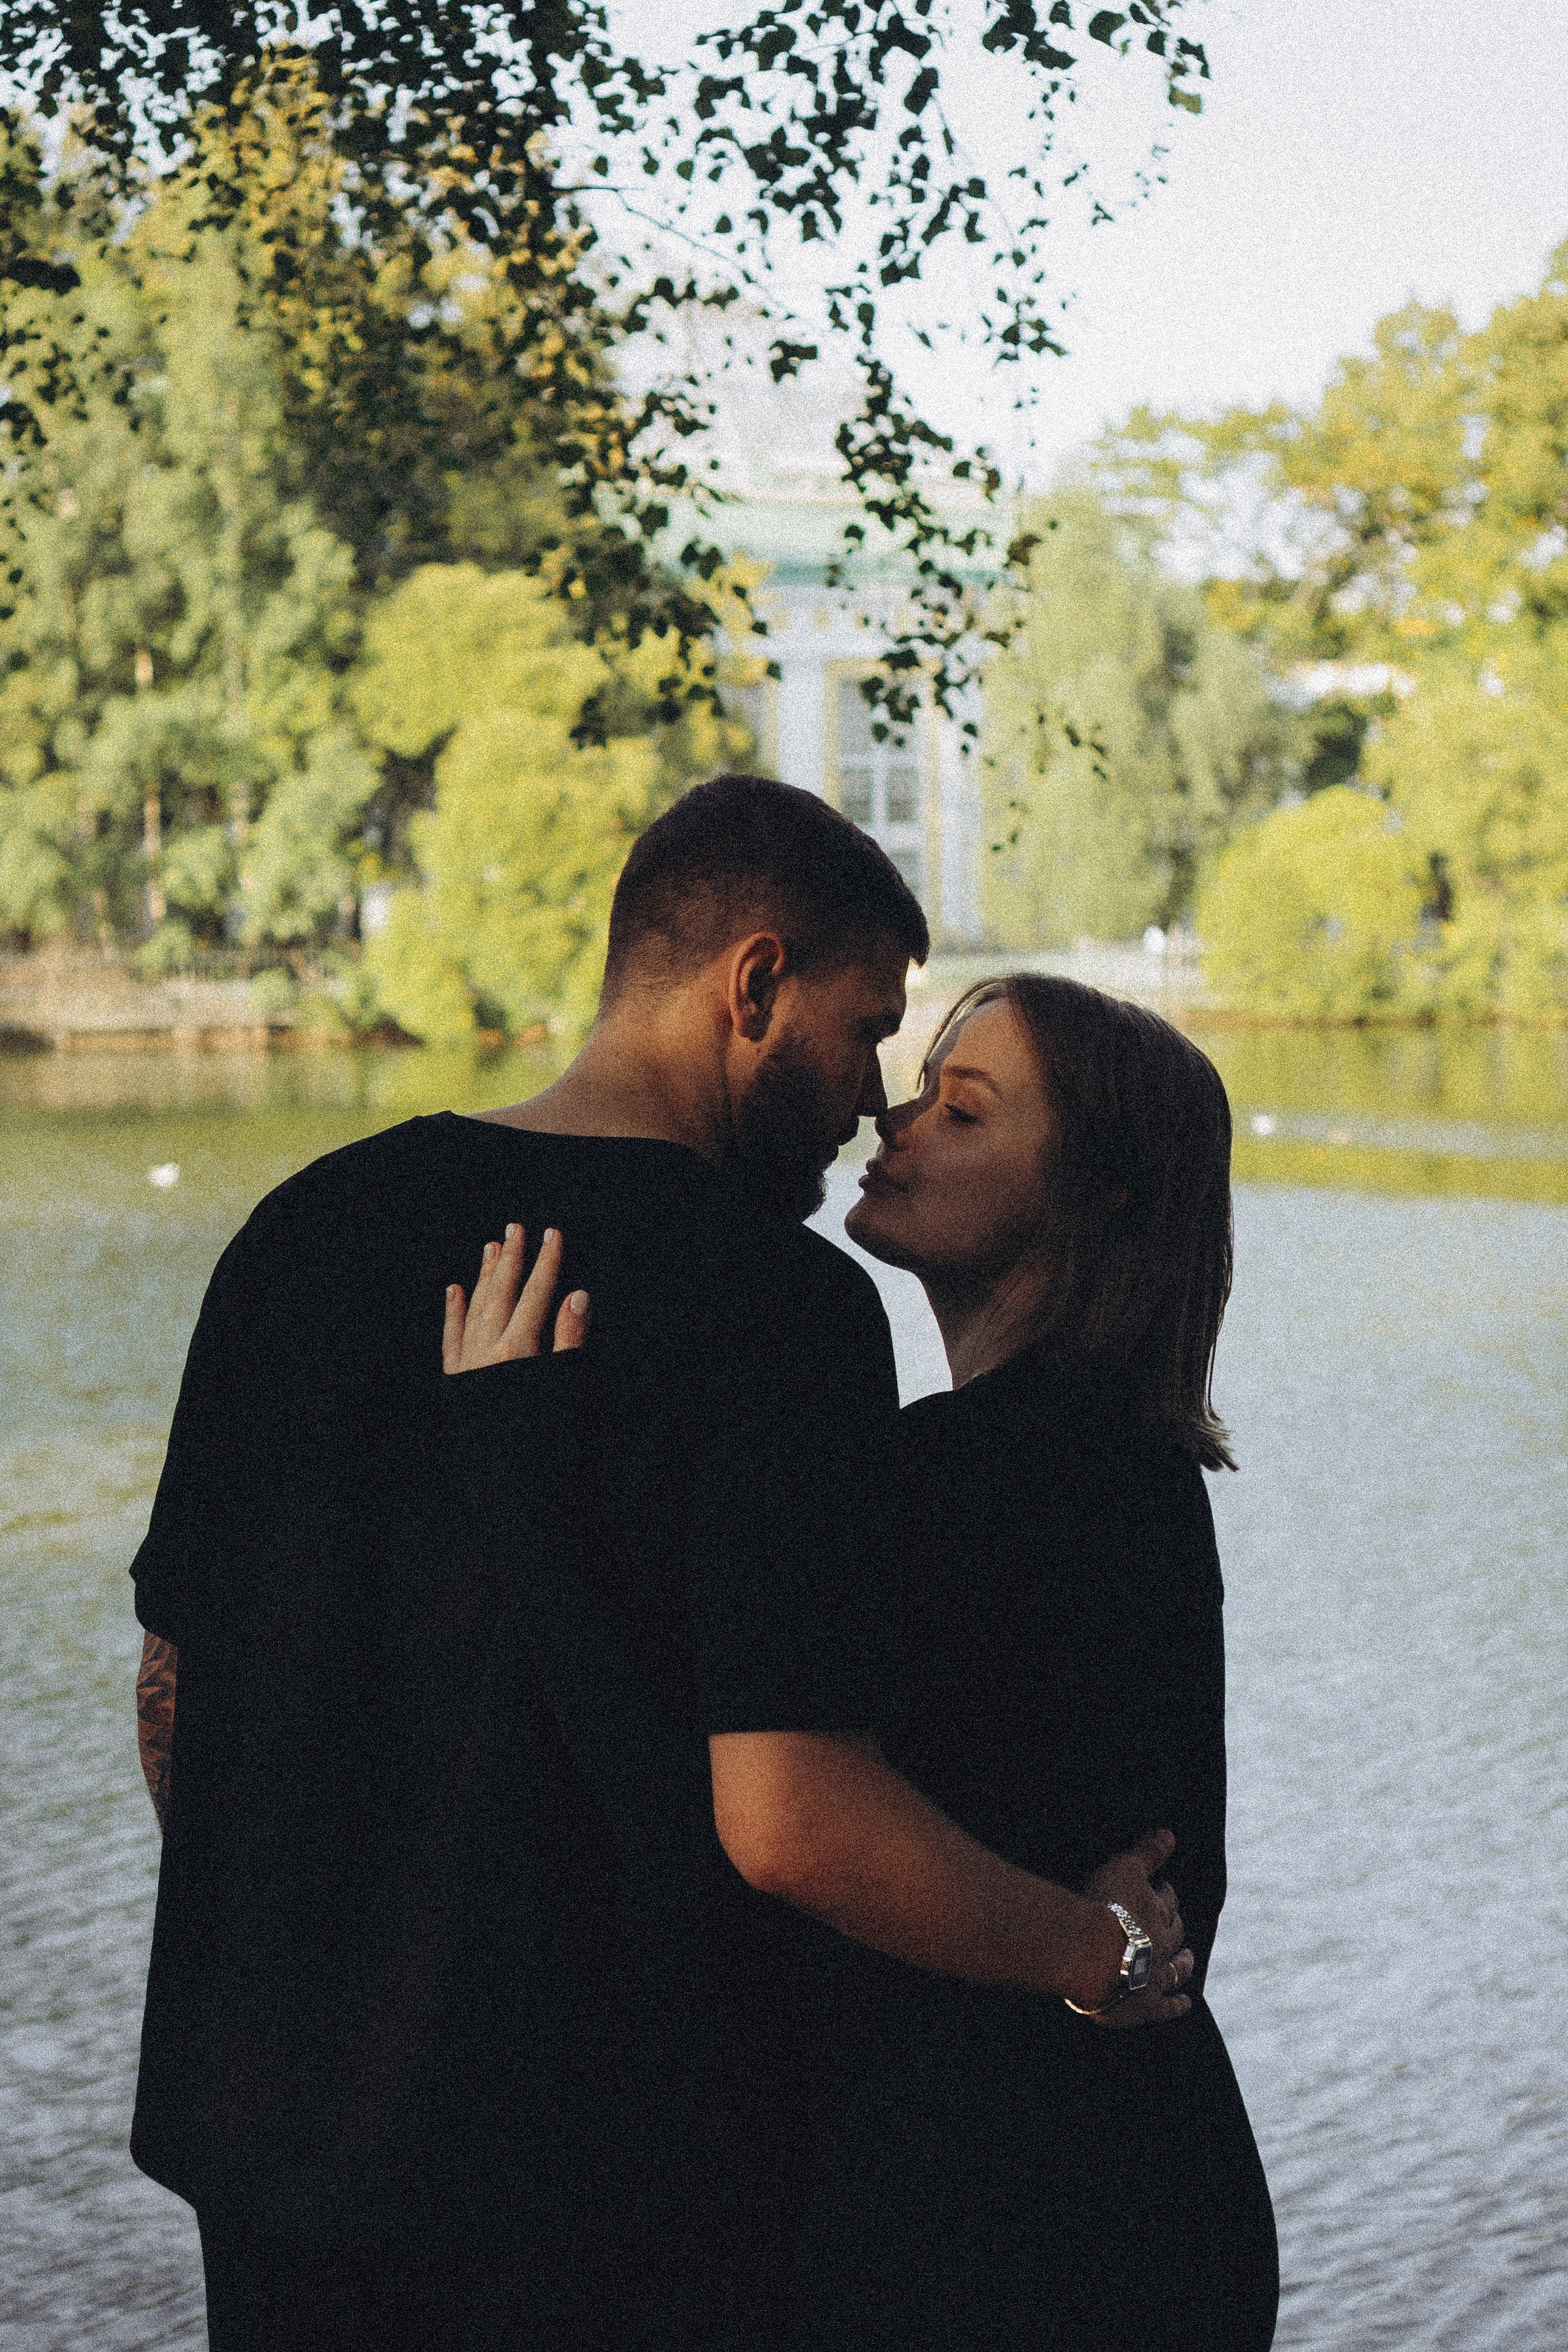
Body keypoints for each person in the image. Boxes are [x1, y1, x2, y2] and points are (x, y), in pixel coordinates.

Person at [130, 777, 1191, 2352]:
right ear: (752, 986)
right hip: (596, 2181)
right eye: (862, 1028)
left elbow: (174, 1694)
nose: (865, 1096)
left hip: (271, 2140)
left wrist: (318, 1934)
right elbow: (785, 1812)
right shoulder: (777, 1310)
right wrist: (1088, 1951)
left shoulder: (300, 1230)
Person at [793, 974, 1280, 2350]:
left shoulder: (985, 1475)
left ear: (1098, 1194)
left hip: (1041, 2235)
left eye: (964, 1109)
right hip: (1118, 2190)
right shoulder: (1118, 1456)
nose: (896, 1118)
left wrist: (510, 1432)